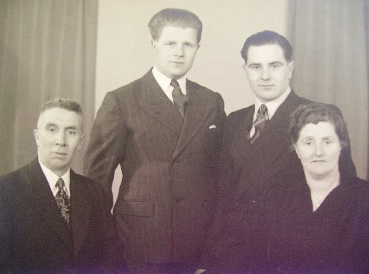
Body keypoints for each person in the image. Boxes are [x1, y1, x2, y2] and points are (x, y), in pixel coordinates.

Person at [198, 30, 356, 272]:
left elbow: (344, 198)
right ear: (245, 69)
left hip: (287, 258)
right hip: (230, 258)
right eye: (255, 66)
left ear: (290, 68)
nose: (265, 76)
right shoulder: (234, 120)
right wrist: (207, 262)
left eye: (274, 66)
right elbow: (222, 198)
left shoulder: (318, 115)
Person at [83, 8, 226, 273]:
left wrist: (213, 251)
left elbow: (220, 178)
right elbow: (95, 183)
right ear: (154, 44)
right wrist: (109, 247)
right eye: (170, 43)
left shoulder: (211, 101)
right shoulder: (122, 100)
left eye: (188, 44)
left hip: (198, 245)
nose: (179, 52)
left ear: (198, 47)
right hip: (139, 242)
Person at [0, 98, 123, 273]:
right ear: (37, 136)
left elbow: (113, 258)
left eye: (71, 132)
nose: (61, 141)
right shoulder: (6, 190)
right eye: (52, 130)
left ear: (80, 142)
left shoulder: (94, 192)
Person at [265, 103, 369, 272]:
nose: (318, 152)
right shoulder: (280, 199)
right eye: (308, 143)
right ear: (297, 150)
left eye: (327, 141)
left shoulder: (364, 199)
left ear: (341, 146)